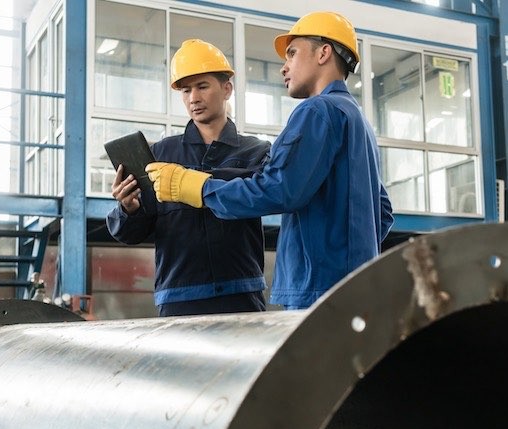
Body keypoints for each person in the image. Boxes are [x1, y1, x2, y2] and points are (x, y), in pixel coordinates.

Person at [146, 12, 394, 309]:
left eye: (292, 53)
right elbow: (383, 211)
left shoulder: (316, 112)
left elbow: (279, 188)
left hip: (317, 292)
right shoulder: (357, 121)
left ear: (324, 53)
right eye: (185, 90)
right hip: (356, 288)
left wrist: (196, 186)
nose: (284, 67)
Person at [106, 39, 271, 316]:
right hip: (179, 297)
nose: (193, 98)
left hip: (240, 293)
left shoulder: (256, 152)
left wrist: (192, 180)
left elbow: (264, 198)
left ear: (227, 89)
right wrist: (128, 208)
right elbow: (129, 233)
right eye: (185, 90)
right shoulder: (159, 154)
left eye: (202, 86)